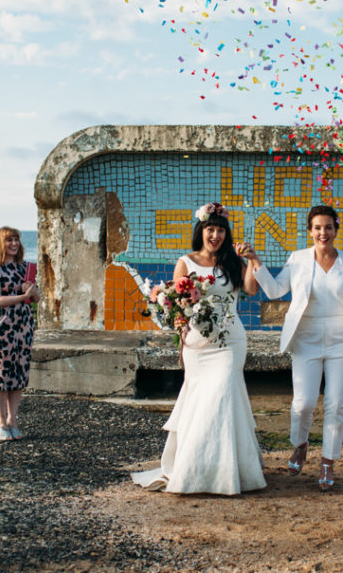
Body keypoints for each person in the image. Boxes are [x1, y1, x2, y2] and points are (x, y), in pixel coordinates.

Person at [132, 203, 266, 495]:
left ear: (225, 233)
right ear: (201, 231)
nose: (215, 235)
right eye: (210, 229)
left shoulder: (233, 261)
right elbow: (176, 304)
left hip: (230, 342)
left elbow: (251, 290)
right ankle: (196, 470)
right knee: (200, 402)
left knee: (222, 397)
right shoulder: (186, 262)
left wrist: (253, 260)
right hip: (197, 344)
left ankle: (227, 473)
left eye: (220, 230)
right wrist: (182, 330)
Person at [244, 205, 343, 491]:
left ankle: (328, 460)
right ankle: (300, 444)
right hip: (306, 339)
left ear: (336, 230)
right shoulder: (298, 259)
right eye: (317, 227)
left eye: (328, 227)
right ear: (309, 231)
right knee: (303, 404)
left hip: (340, 339)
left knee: (336, 404)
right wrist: (255, 261)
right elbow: (275, 291)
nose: (323, 233)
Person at [0, 227, 40, 441]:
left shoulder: (24, 267)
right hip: (1, 327)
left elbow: (36, 298)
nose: (14, 244)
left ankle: (13, 420)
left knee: (19, 373)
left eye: (16, 240)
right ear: (0, 243)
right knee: (1, 374)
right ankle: (1, 422)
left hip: (23, 325)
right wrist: (22, 294)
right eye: (9, 240)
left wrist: (31, 292)